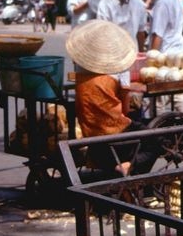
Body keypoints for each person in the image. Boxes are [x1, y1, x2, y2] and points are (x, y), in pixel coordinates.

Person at [67, 20, 160, 177]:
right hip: (115, 136)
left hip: (90, 133)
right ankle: (129, 166)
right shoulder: (119, 71)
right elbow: (125, 110)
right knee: (156, 140)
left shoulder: (80, 70)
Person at [96, 0, 147, 85]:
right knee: (129, 98)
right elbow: (141, 34)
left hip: (112, 62)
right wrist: (140, 55)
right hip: (132, 60)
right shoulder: (139, 3)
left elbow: (102, 37)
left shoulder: (105, 4)